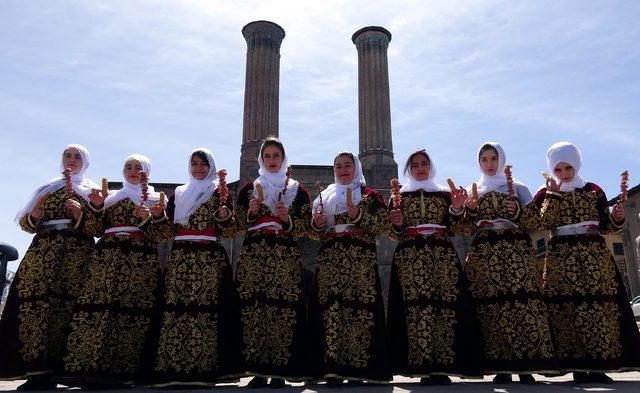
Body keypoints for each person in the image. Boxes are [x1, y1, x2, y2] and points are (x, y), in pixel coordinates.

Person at [536, 141, 640, 383]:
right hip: (561, 258)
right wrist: (552, 194)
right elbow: (543, 222)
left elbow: (605, 225)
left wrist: (616, 218)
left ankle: (599, 365)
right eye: (558, 169)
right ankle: (576, 365)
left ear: (577, 164)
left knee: (597, 308)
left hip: (593, 257)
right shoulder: (545, 192)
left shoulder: (593, 190)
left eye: (568, 168)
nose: (564, 174)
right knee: (567, 309)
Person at [0, 144, 101, 391]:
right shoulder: (48, 188)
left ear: (85, 163)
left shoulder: (91, 192)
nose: (72, 160)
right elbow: (25, 223)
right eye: (68, 155)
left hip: (77, 257)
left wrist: (81, 214)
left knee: (68, 310)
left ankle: (63, 372)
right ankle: (36, 372)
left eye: (78, 157)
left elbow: (97, 228)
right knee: (37, 308)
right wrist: (34, 218)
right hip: (44, 253)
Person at [63, 154, 167, 388]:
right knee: (102, 310)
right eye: (128, 167)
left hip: (139, 262)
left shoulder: (156, 200)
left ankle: (127, 371)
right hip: (107, 261)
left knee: (132, 314)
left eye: (138, 168)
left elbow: (161, 236)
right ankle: (95, 369)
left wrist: (150, 219)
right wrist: (94, 208)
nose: (133, 171)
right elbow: (94, 229)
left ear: (147, 172)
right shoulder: (111, 198)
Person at [386, 149, 482, 384]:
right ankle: (421, 365)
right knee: (417, 308)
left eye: (424, 163)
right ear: (409, 169)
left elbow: (455, 227)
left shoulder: (443, 194)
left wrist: (457, 208)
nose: (420, 168)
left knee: (444, 306)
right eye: (415, 164)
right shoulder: (399, 196)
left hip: (442, 255)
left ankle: (442, 366)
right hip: (410, 256)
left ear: (430, 166)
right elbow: (393, 234)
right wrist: (397, 224)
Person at [463, 142, 555, 384]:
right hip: (485, 255)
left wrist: (516, 213)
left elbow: (535, 221)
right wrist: (468, 211)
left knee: (521, 304)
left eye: (494, 158)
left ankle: (526, 366)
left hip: (516, 252)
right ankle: (500, 366)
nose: (489, 164)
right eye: (484, 160)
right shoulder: (475, 192)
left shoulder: (519, 188)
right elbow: (462, 227)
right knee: (491, 307)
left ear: (501, 160)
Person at [148, 148, 240, 387]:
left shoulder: (219, 192)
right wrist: (158, 216)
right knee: (176, 310)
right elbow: (164, 233)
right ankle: (172, 369)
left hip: (208, 258)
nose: (198, 168)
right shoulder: (178, 194)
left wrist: (223, 216)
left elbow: (230, 231)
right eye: (194, 164)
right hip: (180, 258)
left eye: (203, 164)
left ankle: (203, 370)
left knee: (205, 310)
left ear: (211, 167)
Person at [234, 137, 311, 388]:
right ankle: (259, 370)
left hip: (284, 256)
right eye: (267, 156)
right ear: (261, 159)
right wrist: (252, 213)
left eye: (276, 156)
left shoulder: (298, 191)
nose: (271, 160)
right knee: (256, 309)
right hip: (255, 256)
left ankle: (280, 370)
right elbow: (236, 225)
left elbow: (304, 228)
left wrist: (287, 219)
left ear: (284, 158)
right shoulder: (249, 189)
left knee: (282, 309)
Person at [308, 151, 390, 386]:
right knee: (332, 310)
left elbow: (381, 226)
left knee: (359, 310)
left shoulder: (369, 195)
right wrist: (318, 223)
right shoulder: (324, 197)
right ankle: (333, 369)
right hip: (331, 260)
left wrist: (360, 214)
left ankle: (358, 369)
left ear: (356, 168)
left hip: (359, 262)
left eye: (347, 165)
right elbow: (315, 233)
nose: (343, 170)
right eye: (338, 166)